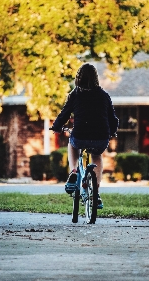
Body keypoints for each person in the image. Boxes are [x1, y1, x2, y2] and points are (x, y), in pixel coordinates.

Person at [51, 63, 119, 208]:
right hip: (101, 137)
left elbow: (64, 114)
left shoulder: (75, 94)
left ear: (78, 78)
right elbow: (113, 118)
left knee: (72, 144)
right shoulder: (104, 95)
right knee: (96, 156)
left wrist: (56, 127)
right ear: (96, 78)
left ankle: (74, 170)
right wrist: (112, 131)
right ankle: (96, 193)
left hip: (80, 134)